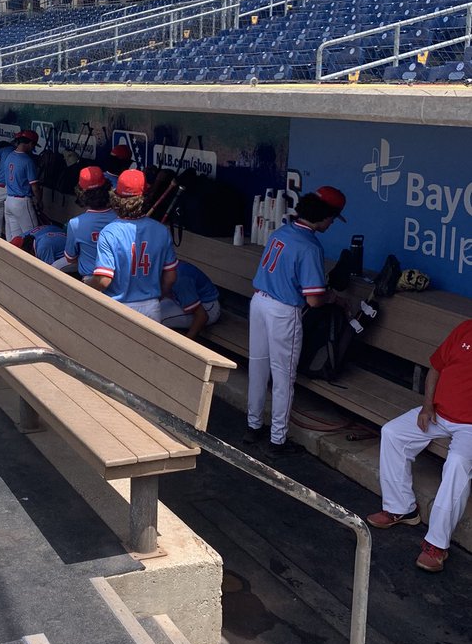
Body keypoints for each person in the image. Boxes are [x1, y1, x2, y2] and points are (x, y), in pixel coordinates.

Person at [245, 186, 348, 454]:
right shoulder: (310, 245)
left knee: (258, 369)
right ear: (324, 216)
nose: (331, 224)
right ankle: (277, 441)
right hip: (282, 311)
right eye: (332, 218)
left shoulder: (282, 231)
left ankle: (253, 427)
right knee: (283, 378)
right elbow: (314, 300)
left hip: (258, 303)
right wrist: (334, 298)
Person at [367, 319, 472, 572]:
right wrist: (427, 406)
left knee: (457, 464)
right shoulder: (465, 329)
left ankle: (437, 545)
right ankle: (400, 508)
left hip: (469, 427)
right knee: (392, 433)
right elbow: (436, 368)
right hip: (439, 413)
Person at [87, 169, 178, 320]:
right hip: (151, 306)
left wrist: (87, 284)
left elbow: (103, 280)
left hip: (118, 306)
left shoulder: (109, 232)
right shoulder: (161, 230)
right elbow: (170, 277)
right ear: (144, 198)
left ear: (116, 197)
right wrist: (158, 296)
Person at [61, 166, 118, 278]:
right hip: (119, 280)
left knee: (53, 268)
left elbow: (71, 258)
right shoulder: (120, 218)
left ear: (82, 194)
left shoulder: (75, 224)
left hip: (90, 280)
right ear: (107, 189)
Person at [159, 262, 221, 340]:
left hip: (208, 307)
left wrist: (186, 344)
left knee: (157, 317)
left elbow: (202, 316)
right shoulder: (163, 267)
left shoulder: (179, 278)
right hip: (181, 300)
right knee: (148, 311)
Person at [4, 130, 41, 241]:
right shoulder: (27, 160)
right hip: (21, 202)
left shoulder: (9, 156)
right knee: (33, 236)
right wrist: (39, 200)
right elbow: (34, 187)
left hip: (9, 200)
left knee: (16, 239)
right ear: (29, 143)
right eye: (33, 144)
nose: (33, 147)